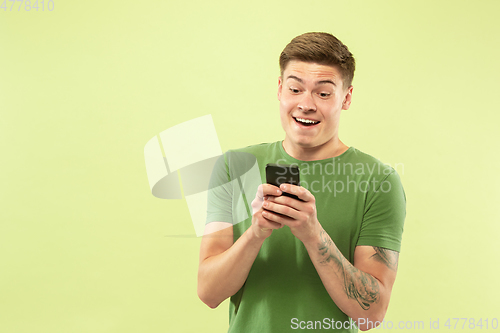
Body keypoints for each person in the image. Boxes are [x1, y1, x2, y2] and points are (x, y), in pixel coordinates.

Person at [197, 32, 406, 332]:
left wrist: (312, 234)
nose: (305, 104)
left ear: (346, 98)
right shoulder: (233, 167)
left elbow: (371, 314)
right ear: (280, 89)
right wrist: (255, 233)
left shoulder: (379, 181)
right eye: (295, 88)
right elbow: (208, 292)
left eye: (323, 93)